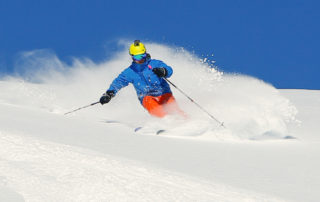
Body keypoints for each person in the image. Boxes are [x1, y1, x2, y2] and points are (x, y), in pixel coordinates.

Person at [99, 40, 185, 118]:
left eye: (142, 56)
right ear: (132, 57)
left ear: (145, 54)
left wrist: (163, 71)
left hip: (163, 93)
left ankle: (188, 123)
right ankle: (165, 121)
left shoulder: (155, 63)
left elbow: (169, 70)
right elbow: (118, 82)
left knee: (173, 109)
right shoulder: (130, 72)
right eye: (137, 57)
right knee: (151, 104)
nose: (141, 60)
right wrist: (109, 94)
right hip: (146, 97)